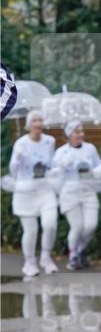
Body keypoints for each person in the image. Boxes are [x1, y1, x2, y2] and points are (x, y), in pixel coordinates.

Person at [7, 110, 59, 277]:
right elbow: (13, 171)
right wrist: (17, 159)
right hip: (26, 191)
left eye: (40, 120)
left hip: (45, 188)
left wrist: (55, 170)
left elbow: (52, 163)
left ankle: (45, 257)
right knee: (31, 230)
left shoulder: (50, 141)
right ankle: (29, 262)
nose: (38, 123)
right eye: (35, 120)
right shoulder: (21, 144)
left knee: (50, 224)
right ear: (29, 125)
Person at [53, 119, 101, 270]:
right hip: (69, 192)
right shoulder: (62, 152)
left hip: (88, 191)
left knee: (91, 225)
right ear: (69, 134)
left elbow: (99, 164)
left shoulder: (90, 148)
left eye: (82, 131)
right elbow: (54, 172)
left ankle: (81, 249)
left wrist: (95, 171)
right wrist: (64, 164)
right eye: (77, 132)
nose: (81, 134)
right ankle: (73, 256)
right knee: (77, 226)